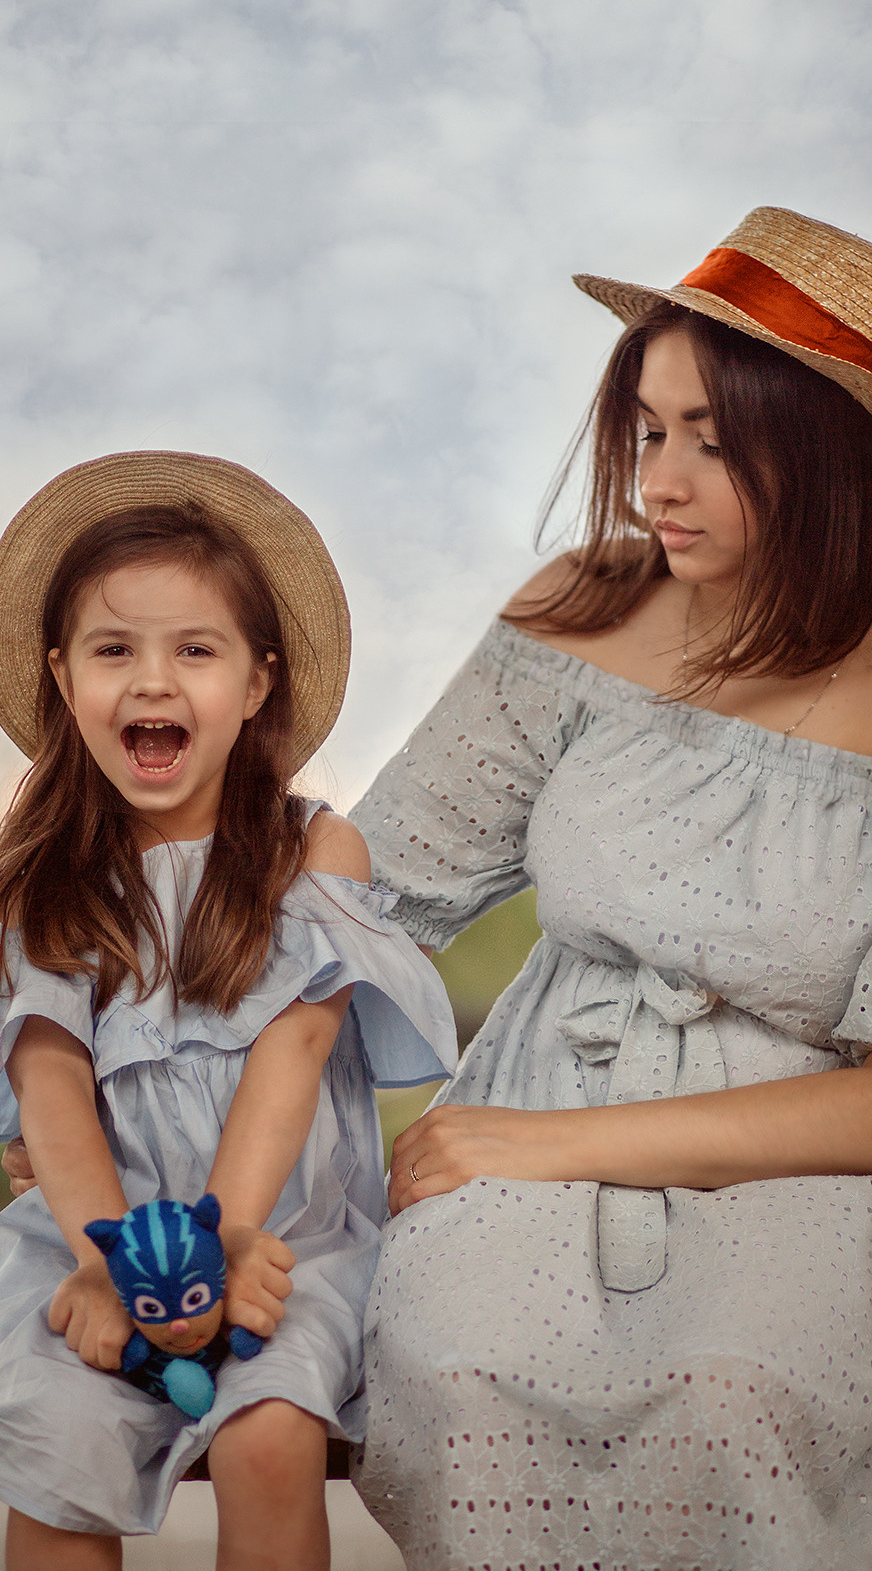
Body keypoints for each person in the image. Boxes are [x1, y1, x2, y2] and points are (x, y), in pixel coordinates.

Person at [0, 451, 456, 1571]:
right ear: (66, 680)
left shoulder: (310, 853)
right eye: (116, 651)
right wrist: (112, 1259)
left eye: (194, 650)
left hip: (282, 1238)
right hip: (89, 1235)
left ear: (256, 683)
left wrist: (222, 1239)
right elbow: (49, 1085)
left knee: (269, 1435)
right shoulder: (46, 881)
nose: (152, 683)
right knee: (59, 1454)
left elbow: (294, 1057)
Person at [349, 207, 872, 1569]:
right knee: (468, 1385)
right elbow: (368, 894)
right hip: (528, 1098)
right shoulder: (584, 611)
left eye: (715, 439)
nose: (661, 481)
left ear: (832, 455)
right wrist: (144, 1032)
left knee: (732, 1405)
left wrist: (535, 1147)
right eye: (649, 431)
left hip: (796, 1166)